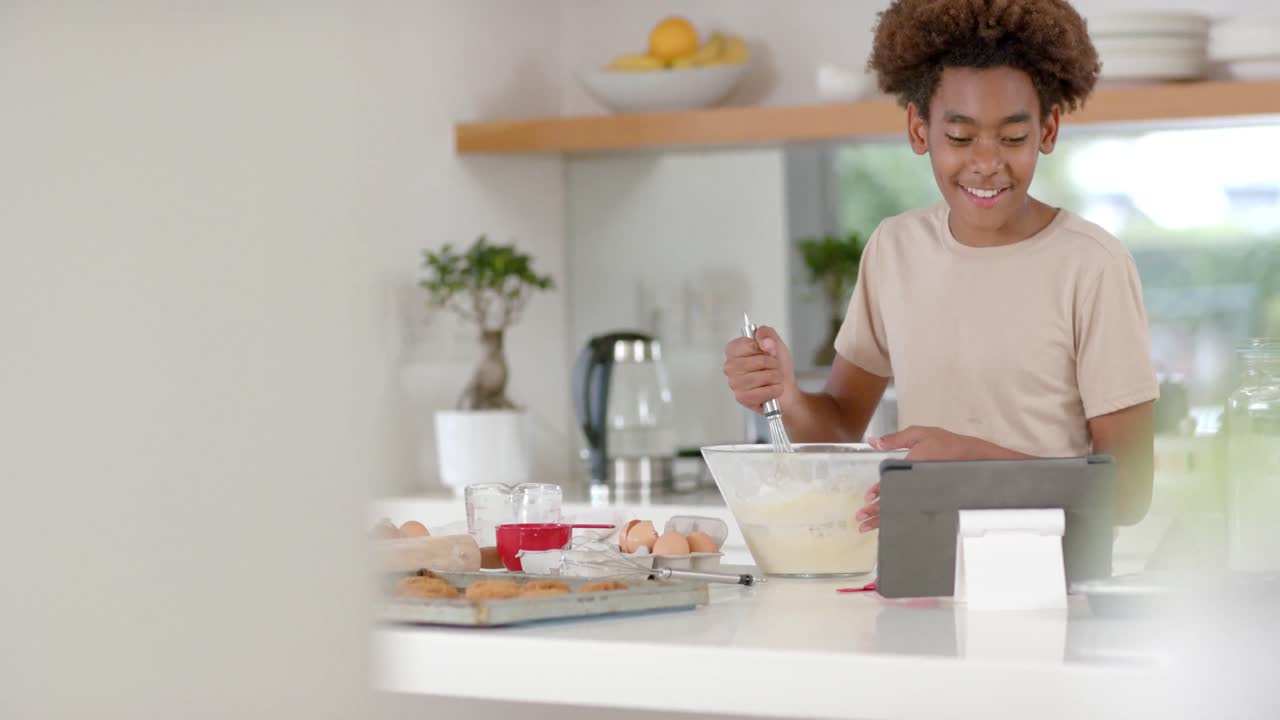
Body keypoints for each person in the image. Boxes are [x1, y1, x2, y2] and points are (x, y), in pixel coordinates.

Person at [722, 0, 1157, 532]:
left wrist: (972, 466)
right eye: (960, 136)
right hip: (919, 576)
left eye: (1014, 137)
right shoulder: (894, 250)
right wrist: (784, 393)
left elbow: (1129, 491)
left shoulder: (1093, 266)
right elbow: (838, 427)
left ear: (1048, 130)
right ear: (918, 129)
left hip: (1050, 582)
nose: (987, 161)